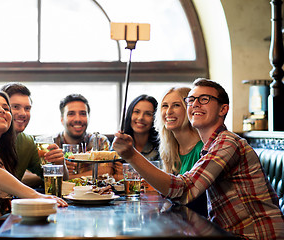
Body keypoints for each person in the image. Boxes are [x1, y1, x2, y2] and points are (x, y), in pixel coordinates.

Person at [113, 78, 284, 239]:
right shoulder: (209, 146)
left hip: (257, 235)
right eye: (191, 100)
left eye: (204, 99)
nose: (195, 104)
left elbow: (184, 191)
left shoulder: (227, 142)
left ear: (223, 109)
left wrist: (131, 155)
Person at [156, 87, 207, 216]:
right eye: (164, 106)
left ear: (190, 109)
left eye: (176, 105)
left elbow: (193, 200)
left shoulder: (203, 149)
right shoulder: (170, 150)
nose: (168, 111)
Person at [52, 94, 121, 181]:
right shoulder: (52, 143)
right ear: (62, 119)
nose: (78, 119)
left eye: (83, 114)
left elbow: (106, 172)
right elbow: (35, 174)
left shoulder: (99, 141)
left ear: (88, 117)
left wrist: (63, 176)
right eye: (71, 114)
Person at [122, 94, 160, 162]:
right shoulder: (121, 141)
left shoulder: (162, 147)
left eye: (148, 114)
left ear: (155, 118)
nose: (140, 118)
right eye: (136, 112)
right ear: (129, 114)